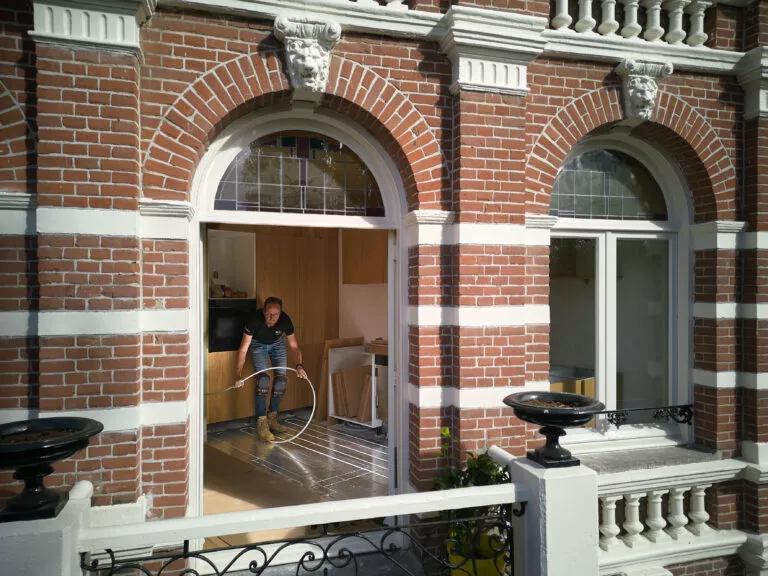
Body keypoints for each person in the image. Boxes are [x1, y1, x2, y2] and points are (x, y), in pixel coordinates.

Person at [234, 296, 307, 442]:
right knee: (263, 380)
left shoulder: (285, 320)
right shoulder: (254, 320)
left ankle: (272, 418)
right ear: (263, 312)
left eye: (275, 314)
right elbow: (243, 349)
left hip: (277, 343)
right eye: (268, 314)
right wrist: (238, 375)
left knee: (281, 381)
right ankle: (261, 423)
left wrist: (299, 365)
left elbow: (294, 346)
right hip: (258, 343)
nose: (271, 318)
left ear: (280, 313)